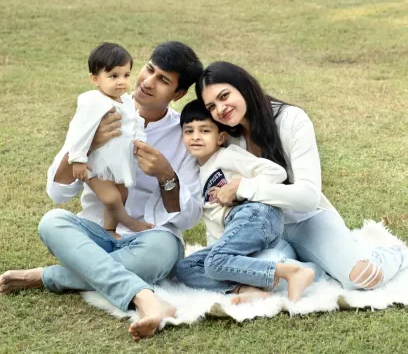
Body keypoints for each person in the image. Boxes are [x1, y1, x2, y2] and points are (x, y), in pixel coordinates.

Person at [0, 41, 204, 341]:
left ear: (178, 94)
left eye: (163, 80)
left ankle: (49, 277)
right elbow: (58, 192)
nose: (147, 82)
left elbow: (187, 218)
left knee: (163, 251)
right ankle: (145, 297)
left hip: (149, 238)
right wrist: (87, 146)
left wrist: (166, 176)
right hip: (96, 234)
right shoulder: (98, 109)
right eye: (149, 70)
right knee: (52, 222)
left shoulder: (186, 134)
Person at [194, 61, 408, 292]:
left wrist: (243, 188)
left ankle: (394, 253)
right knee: (258, 275)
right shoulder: (226, 139)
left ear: (243, 87)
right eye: (212, 107)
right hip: (263, 229)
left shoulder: (291, 119)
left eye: (225, 96)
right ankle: (312, 267)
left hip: (306, 219)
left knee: (362, 277)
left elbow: (308, 197)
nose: (221, 109)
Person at [176, 100, 315, 303]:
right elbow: (213, 220)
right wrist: (218, 249)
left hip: (257, 214)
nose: (196, 137)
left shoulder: (227, 156)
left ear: (220, 137)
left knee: (215, 262)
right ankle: (244, 288)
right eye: (189, 131)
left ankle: (290, 272)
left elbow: (276, 172)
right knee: (186, 268)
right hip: (237, 226)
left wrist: (239, 188)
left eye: (204, 131)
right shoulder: (197, 174)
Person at [65, 42, 152, 233]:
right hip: (95, 163)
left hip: (118, 161)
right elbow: (80, 130)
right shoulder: (94, 102)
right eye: (113, 76)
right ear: (95, 79)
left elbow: (135, 122)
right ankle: (130, 223)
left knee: (122, 193)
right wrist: (78, 159)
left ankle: (110, 229)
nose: (121, 81)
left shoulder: (127, 101)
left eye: (126, 75)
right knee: (111, 198)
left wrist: (140, 140)